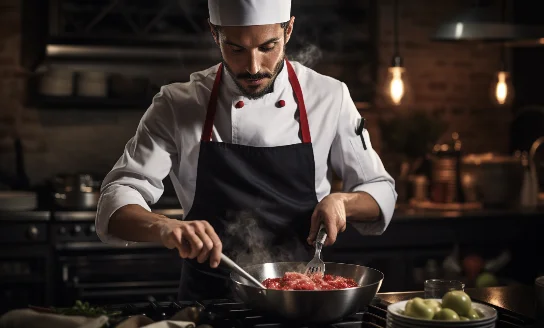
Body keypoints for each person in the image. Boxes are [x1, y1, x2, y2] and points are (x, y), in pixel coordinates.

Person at [95, 0, 397, 301]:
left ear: (288, 30)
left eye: (267, 47)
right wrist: (164, 227)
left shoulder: (329, 96)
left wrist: (342, 202)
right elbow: (117, 199)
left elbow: (379, 191)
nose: (253, 67)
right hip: (208, 301)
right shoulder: (177, 104)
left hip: (301, 299)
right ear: (215, 34)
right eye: (236, 49)